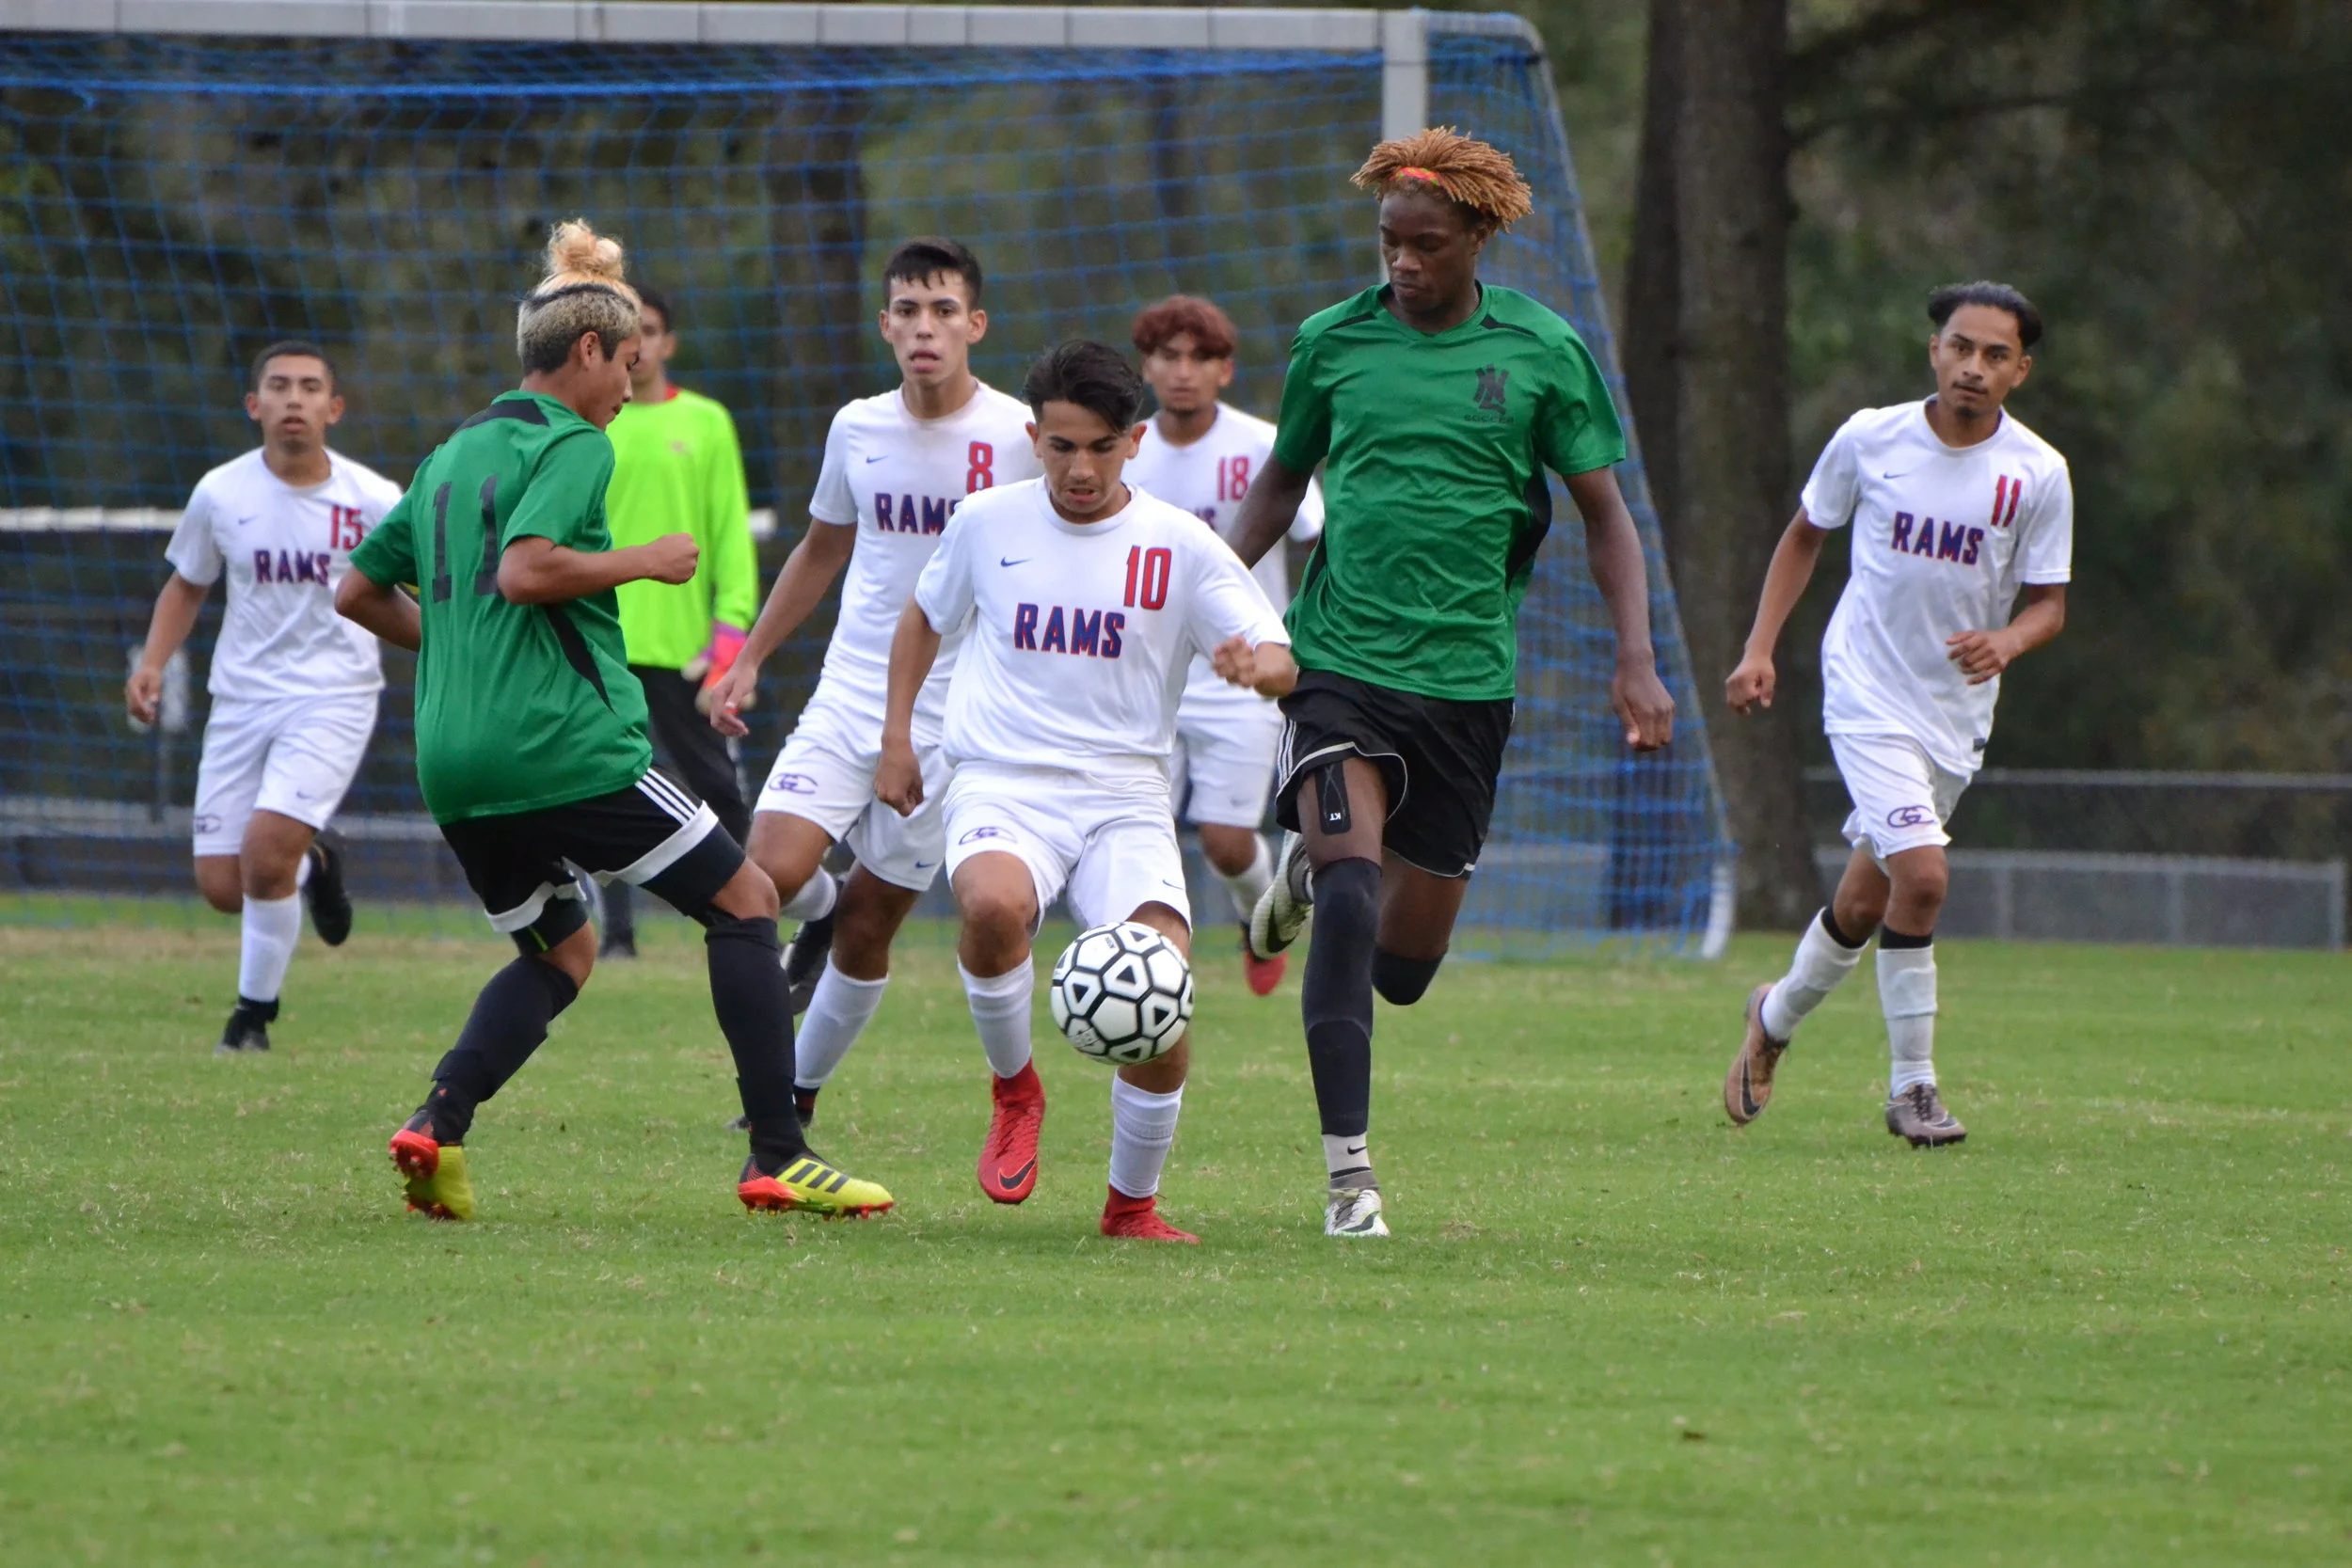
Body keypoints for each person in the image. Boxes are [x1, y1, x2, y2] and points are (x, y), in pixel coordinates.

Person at [334, 219, 891, 1223]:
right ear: (586, 352)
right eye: (627, 363)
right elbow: (527, 568)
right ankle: (779, 1151)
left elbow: (357, 592)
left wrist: (461, 647)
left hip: (456, 762)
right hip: (566, 746)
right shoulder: (577, 442)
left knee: (561, 952)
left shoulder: (451, 454)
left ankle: (437, 1123)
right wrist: (643, 558)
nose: (632, 385)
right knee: (747, 897)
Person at [1223, 129, 1677, 1240]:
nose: (1403, 263)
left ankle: (1303, 879)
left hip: (1467, 684)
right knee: (1348, 889)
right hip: (1337, 666)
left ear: (1477, 236)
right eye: (1389, 242)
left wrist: (1636, 656)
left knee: (1406, 971)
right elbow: (1280, 481)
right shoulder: (1334, 342)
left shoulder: (1539, 350)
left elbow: (1605, 516)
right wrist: (1219, 601)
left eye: (1426, 244)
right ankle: (1349, 1179)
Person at [875, 340, 1295, 1242]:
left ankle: (1130, 1206)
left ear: (1134, 442)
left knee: (1162, 987)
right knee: (990, 905)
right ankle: (1016, 1087)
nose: (1079, 467)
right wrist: (897, 736)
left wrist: (1252, 667)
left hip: (1124, 793)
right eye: (1061, 446)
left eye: (1100, 447)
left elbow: (1280, 658)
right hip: (1002, 777)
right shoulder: (986, 521)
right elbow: (922, 616)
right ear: (1033, 437)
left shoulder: (1183, 543)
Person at [1723, 281, 2072, 1148]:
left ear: (2019, 370)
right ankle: (1913, 1086)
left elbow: (2049, 604)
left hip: (1953, 715)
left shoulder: (2038, 472)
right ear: (1935, 351)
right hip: (1866, 691)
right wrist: (1760, 647)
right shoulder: (1871, 436)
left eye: (1996, 355)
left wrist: (2008, 643)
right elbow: (1806, 534)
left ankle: (1773, 1015)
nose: (1973, 367)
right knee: (1925, 878)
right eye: (1961, 346)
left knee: (1869, 897)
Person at [706, 238, 1039, 1127]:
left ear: (975, 324)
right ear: (884, 323)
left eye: (941, 312)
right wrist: (751, 657)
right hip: (850, 691)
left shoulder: (1019, 437)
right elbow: (822, 547)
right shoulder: (857, 427)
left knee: (868, 927)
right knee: (765, 876)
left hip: (953, 719)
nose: (922, 328)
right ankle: (814, 913)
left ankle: (795, 1096)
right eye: (906, 311)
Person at [126, 341, 400, 1054]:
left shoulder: (374, 500)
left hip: (334, 697)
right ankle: (319, 866)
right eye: (278, 387)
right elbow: (187, 584)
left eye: (311, 388)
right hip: (242, 699)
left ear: (333, 409)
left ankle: (251, 1019)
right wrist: (153, 663)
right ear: (255, 405)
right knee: (224, 883)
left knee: (264, 850)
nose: (294, 400)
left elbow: (411, 590)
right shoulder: (221, 492)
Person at [1125, 295, 1325, 997]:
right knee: (1140, 831)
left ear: (1225, 370)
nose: (1183, 371)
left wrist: (1296, 636)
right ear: (1146, 367)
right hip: (1148, 673)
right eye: (1168, 356)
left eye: (1200, 358)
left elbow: (1318, 541)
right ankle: (1144, 976)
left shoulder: (1262, 445)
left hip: (1243, 673)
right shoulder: (1125, 451)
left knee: (1224, 840)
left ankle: (1254, 916)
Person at [594, 283, 759, 958]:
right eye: (630, 334)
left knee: (719, 788)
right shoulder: (590, 421)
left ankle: (750, 911)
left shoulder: (707, 422)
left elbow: (731, 541)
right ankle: (618, 933)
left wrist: (729, 641)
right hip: (600, 641)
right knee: (601, 785)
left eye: (652, 330)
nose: (641, 346)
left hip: (683, 650)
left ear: (669, 342)